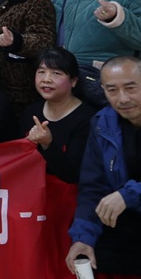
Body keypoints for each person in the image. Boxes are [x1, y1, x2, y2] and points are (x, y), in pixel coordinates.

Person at [66, 56, 141, 279]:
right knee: (89, 258)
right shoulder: (102, 124)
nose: (122, 98)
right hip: (121, 221)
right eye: (112, 90)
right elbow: (92, 187)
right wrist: (83, 237)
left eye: (131, 88)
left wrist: (129, 194)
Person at [19, 48, 95, 184]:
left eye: (56, 73)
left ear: (73, 80)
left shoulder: (87, 118)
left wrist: (47, 144)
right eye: (41, 72)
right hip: (32, 188)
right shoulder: (31, 111)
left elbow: (73, 174)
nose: (46, 79)